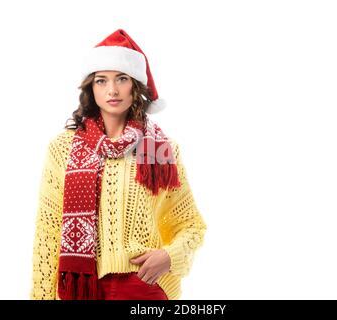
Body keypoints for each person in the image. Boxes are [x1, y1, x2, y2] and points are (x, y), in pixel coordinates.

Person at [30, 29, 207, 300]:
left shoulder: (158, 148)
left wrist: (169, 256)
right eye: (101, 80)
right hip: (82, 289)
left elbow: (190, 224)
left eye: (122, 79)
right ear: (91, 87)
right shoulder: (63, 149)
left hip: (144, 288)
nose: (112, 90)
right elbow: (48, 233)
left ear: (135, 85)